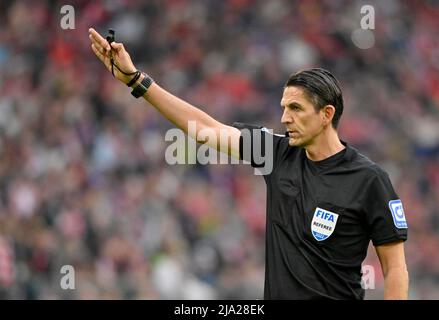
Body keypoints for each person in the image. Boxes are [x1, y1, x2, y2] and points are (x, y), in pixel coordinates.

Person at [88, 28, 409, 300]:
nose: (285, 118)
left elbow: (394, 268)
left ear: (326, 115)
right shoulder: (276, 153)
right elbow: (205, 129)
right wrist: (136, 81)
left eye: (296, 108)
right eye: (284, 107)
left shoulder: (369, 180)